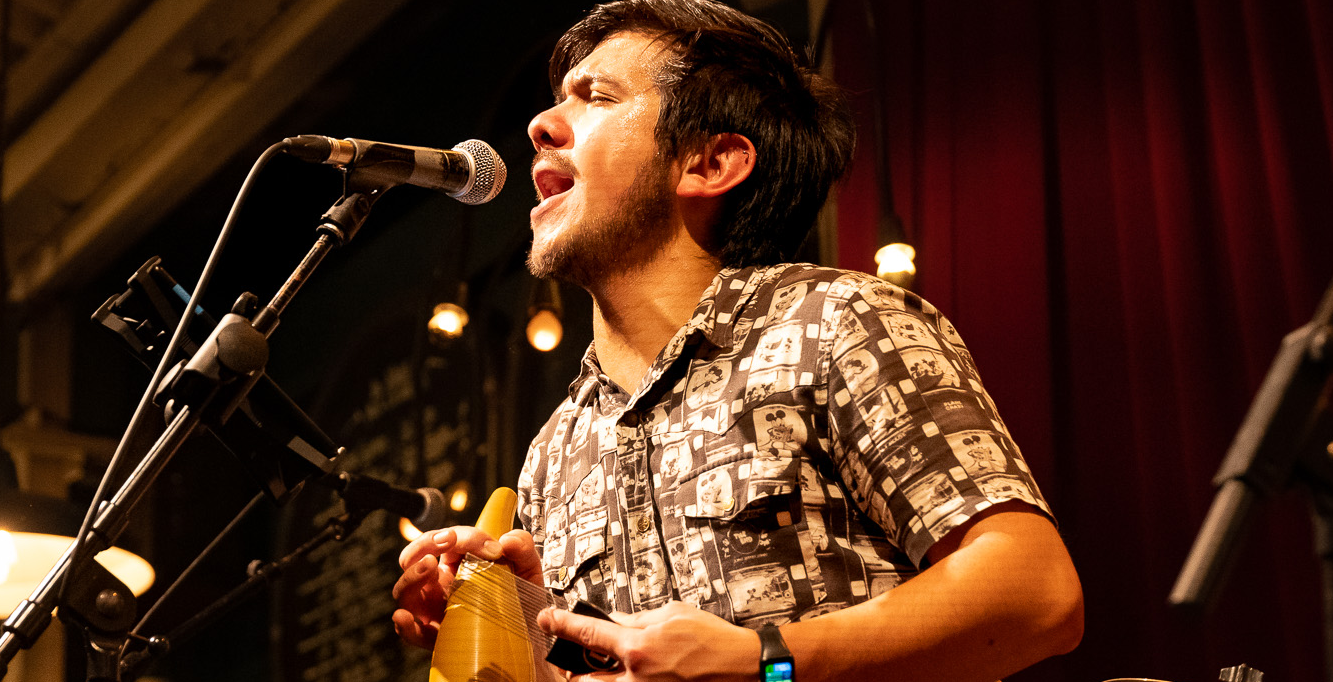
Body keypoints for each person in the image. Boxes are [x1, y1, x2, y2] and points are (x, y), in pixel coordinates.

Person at [392, 1, 1083, 680]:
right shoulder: (554, 451)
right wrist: (518, 626)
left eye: (596, 96)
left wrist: (764, 662)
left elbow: (1034, 596)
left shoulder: (835, 322)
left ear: (711, 163)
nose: (542, 125)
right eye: (556, 101)